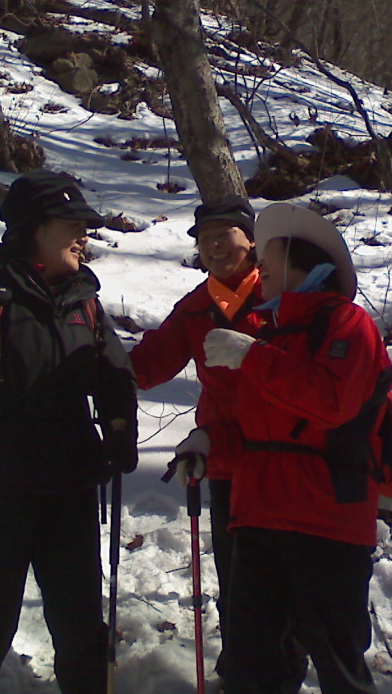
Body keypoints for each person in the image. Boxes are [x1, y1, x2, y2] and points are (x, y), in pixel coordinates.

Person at [0, 171, 138, 694]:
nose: (83, 235)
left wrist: (120, 425)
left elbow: (112, 372)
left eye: (85, 225)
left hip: (70, 485)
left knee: (81, 622)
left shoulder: (85, 299)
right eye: (71, 224)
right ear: (33, 228)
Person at [204, 202, 392, 694]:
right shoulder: (269, 335)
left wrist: (254, 357)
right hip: (259, 520)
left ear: (306, 266)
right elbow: (265, 437)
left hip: (326, 523)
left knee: (339, 667)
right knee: (253, 669)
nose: (259, 265)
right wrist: (209, 442)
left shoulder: (348, 324)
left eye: (269, 255)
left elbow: (332, 403)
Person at [128, 194, 266, 683]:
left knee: (287, 576)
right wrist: (93, 350)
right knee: (237, 577)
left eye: (224, 235)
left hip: (289, 462)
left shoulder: (283, 294)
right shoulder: (196, 308)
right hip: (227, 461)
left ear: (250, 238)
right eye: (205, 239)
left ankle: (285, 666)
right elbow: (148, 366)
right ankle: (241, 673)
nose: (214, 246)